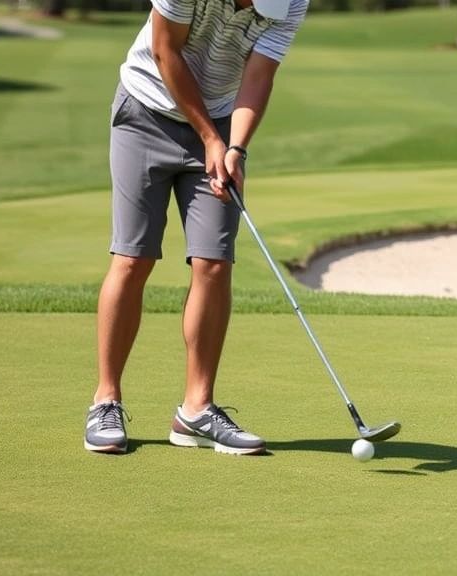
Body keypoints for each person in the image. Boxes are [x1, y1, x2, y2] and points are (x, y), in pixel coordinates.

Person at [84, 0, 308, 455]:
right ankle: (105, 399)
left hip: (222, 122)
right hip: (145, 111)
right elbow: (167, 51)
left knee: (214, 263)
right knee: (133, 257)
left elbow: (259, 74)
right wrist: (209, 136)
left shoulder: (291, 2)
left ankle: (195, 411)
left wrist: (236, 149)